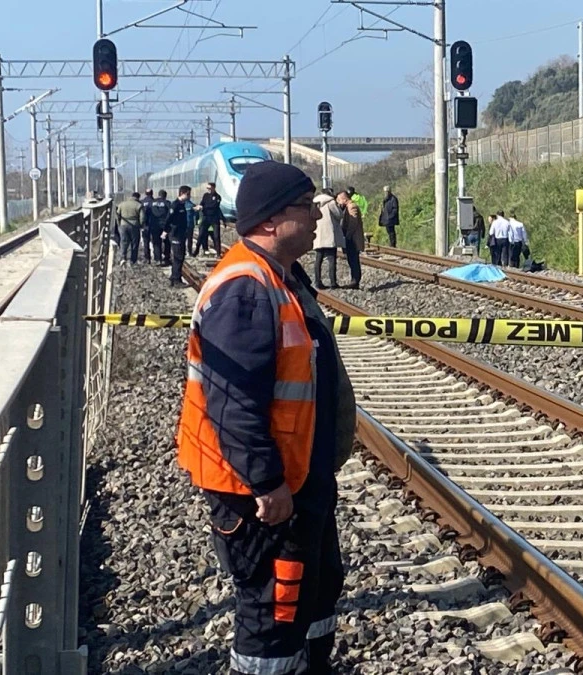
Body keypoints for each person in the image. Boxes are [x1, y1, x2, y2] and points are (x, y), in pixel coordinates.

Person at [177, 160, 354, 675]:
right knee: (273, 611)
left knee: (314, 592)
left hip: (300, 480)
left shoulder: (279, 277)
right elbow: (232, 400)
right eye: (307, 207)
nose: (317, 216)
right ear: (273, 220)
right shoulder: (246, 289)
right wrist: (267, 481)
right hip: (262, 493)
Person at [312, 189, 343, 289]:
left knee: (318, 259)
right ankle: (333, 282)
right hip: (329, 234)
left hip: (317, 233)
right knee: (331, 259)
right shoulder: (331, 202)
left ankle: (317, 281)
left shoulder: (314, 202)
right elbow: (339, 215)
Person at [167, 186, 196, 286]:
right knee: (178, 257)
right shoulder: (175, 205)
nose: (189, 196)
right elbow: (169, 219)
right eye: (188, 194)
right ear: (182, 193)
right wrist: (166, 231)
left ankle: (174, 277)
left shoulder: (181, 205)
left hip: (181, 234)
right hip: (176, 234)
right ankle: (176, 280)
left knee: (180, 256)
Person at [336, 190, 364, 288]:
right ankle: (354, 279)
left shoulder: (352, 207)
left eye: (339, 200)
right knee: (351, 259)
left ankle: (355, 280)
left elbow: (353, 223)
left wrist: (347, 235)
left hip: (352, 239)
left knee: (353, 259)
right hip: (349, 238)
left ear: (344, 199)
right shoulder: (348, 207)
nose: (338, 203)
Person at [193, 181, 224, 257]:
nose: (208, 190)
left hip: (214, 219)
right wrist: (199, 206)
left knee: (216, 236)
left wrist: (203, 207)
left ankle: (218, 253)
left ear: (213, 188)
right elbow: (202, 203)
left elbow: (214, 206)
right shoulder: (205, 195)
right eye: (207, 188)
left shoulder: (217, 197)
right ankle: (196, 250)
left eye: (209, 188)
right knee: (201, 235)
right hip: (206, 218)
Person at [116, 192, 146, 266]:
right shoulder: (139, 205)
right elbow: (142, 218)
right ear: (138, 198)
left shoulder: (122, 204)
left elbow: (117, 215)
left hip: (123, 224)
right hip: (134, 225)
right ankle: (133, 260)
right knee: (134, 243)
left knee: (123, 242)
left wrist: (119, 223)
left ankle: (123, 258)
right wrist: (141, 225)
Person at [147, 190, 172, 264]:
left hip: (154, 225)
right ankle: (166, 258)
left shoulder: (151, 203)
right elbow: (170, 214)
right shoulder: (167, 203)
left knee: (156, 242)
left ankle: (158, 259)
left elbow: (147, 213)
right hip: (165, 225)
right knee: (167, 242)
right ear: (165, 196)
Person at [139, 189, 155, 263]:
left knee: (146, 242)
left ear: (145, 194)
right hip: (154, 224)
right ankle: (156, 257)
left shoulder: (141, 202)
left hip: (145, 225)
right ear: (152, 193)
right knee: (155, 241)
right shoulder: (155, 202)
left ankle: (147, 258)